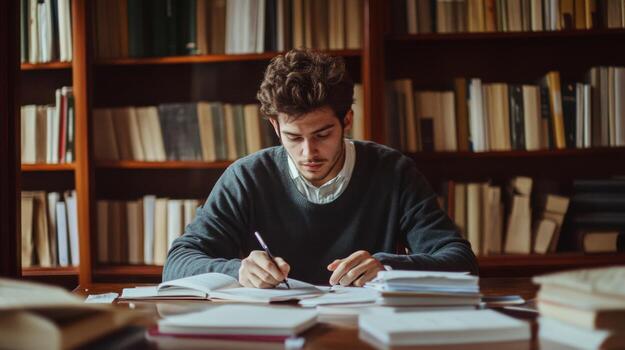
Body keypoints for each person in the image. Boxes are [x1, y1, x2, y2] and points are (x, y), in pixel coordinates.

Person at [163, 49, 478, 287]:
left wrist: (389, 266)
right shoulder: (246, 178)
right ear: (275, 126)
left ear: (347, 120)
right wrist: (237, 270)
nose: (308, 152)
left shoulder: (393, 172)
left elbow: (461, 261)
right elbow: (177, 263)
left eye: (322, 134)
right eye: (293, 137)